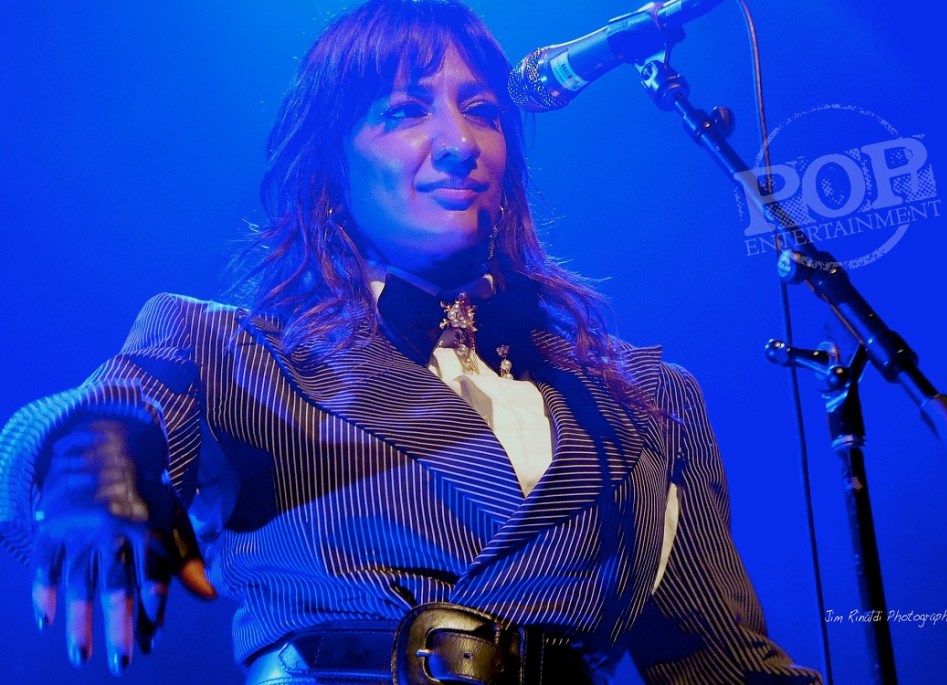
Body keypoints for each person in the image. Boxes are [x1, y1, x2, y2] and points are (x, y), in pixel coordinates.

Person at [0, 0, 823, 683]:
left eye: (483, 111)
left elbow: (726, 665)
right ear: (331, 174)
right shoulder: (234, 351)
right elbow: (106, 408)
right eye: (404, 112)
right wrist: (92, 459)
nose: (460, 144)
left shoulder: (644, 402)